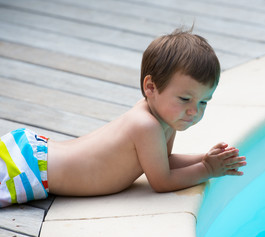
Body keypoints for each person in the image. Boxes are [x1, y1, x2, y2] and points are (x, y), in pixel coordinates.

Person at [0, 28, 246, 207]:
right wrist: (206, 169)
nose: (194, 111)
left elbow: (164, 160)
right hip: (29, 169)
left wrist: (203, 158)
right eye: (185, 99)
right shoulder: (146, 125)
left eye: (204, 102)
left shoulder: (161, 120)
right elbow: (161, 181)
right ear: (151, 87)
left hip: (35, 157)